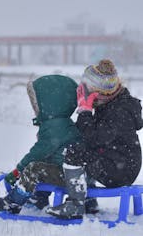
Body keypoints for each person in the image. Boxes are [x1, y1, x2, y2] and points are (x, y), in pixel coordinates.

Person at [47, 59, 143, 219]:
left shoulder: (119, 111)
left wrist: (85, 110)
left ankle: (75, 206)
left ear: (100, 91)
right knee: (84, 149)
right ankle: (89, 201)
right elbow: (89, 136)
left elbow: (92, 137)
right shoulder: (113, 103)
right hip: (118, 162)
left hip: (120, 171)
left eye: (88, 89)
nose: (85, 92)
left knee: (75, 153)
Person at [0, 74, 81, 214]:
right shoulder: (62, 123)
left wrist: (18, 170)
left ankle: (13, 202)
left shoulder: (55, 127)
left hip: (68, 175)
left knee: (34, 169)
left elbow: (37, 153)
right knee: (48, 165)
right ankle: (39, 198)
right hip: (75, 174)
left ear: (50, 104)